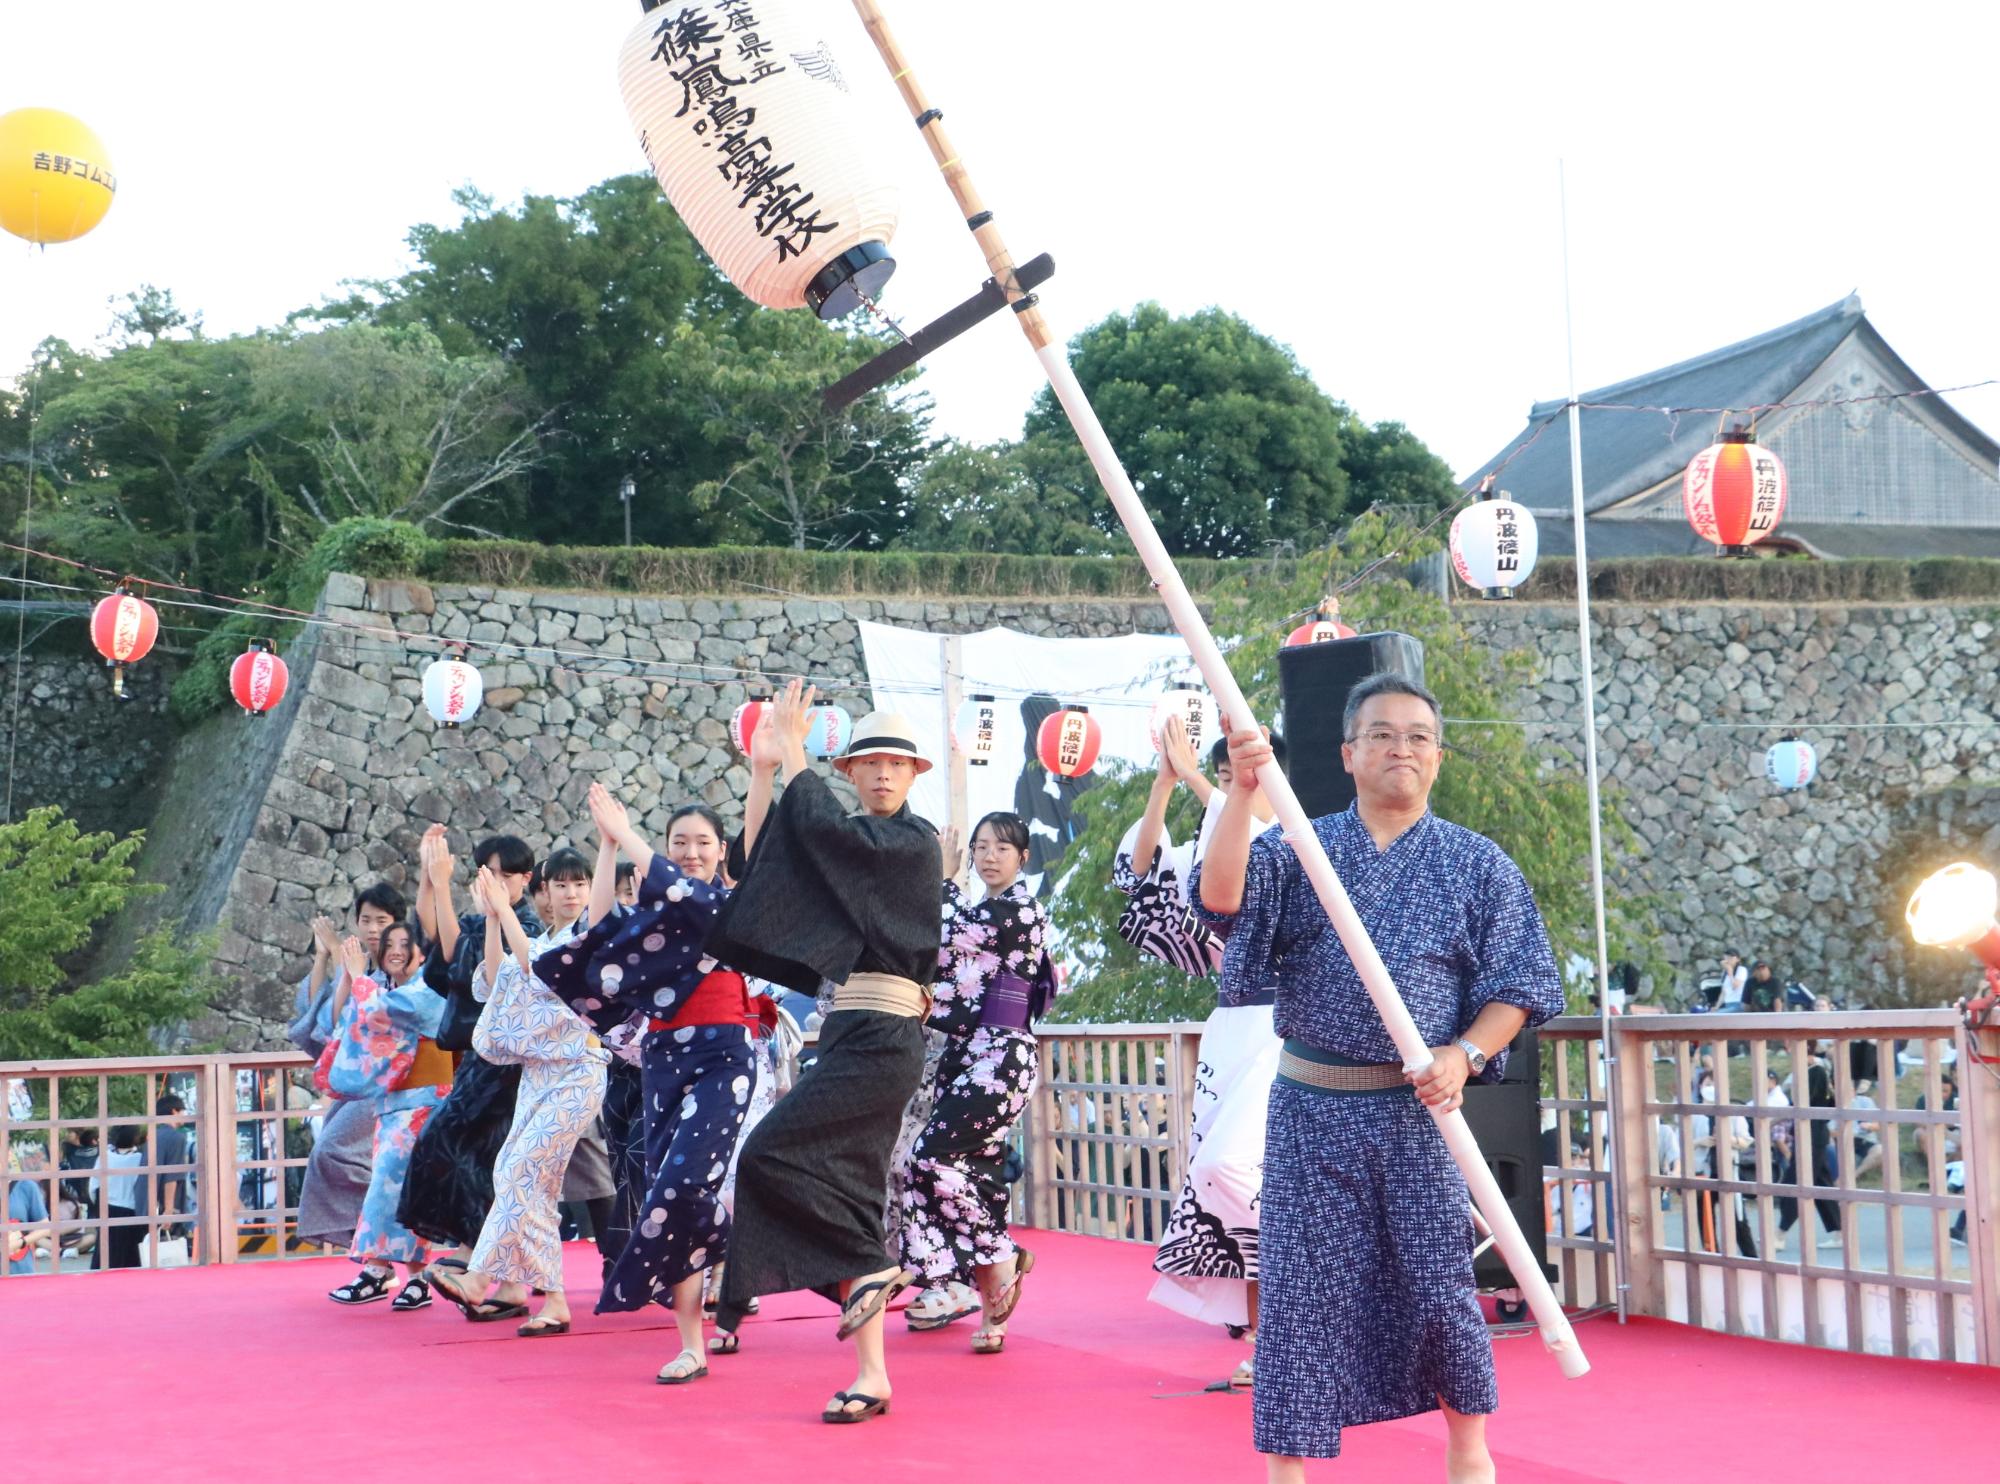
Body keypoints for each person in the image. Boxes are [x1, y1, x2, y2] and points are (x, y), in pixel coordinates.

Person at [1194, 674, 1563, 1481]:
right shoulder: (1298, 846)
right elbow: (1220, 901)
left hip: (1420, 1115)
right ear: (1348, 754)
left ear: (1439, 757)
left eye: (1419, 737)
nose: (1402, 749)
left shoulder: (1477, 863)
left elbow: (1520, 985)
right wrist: (1242, 793)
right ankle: (1288, 1471)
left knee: (1439, 1287)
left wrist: (1465, 1054)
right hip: (1312, 1108)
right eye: (1383, 735)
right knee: (1302, 1293)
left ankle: (1468, 1452)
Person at [705, 680, 941, 1425]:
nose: (883, 774)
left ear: (914, 775)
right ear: (851, 772)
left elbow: (829, 837)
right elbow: (763, 864)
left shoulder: (911, 843)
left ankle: (869, 1268)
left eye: (896, 764)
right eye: (870, 762)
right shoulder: (855, 845)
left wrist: (796, 755)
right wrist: (766, 770)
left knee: (769, 1153)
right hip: (850, 1031)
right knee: (850, 1192)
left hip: (886, 1038)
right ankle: (873, 1372)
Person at [568, 792, 752, 1385]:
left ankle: (753, 1251)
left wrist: (630, 836)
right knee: (671, 1200)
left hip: (725, 1054)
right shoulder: (653, 912)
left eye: (702, 843)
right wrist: (608, 845)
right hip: (664, 1058)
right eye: (679, 844)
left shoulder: (729, 900)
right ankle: (692, 1344)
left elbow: (685, 893)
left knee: (681, 1188)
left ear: (722, 850)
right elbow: (598, 929)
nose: (691, 852)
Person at [1140, 722, 1289, 1390]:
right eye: (1229, 776)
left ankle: (1331, 1275)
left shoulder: (1303, 840)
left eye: (1247, 775)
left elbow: (1255, 836)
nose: (1235, 787)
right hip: (1230, 1026)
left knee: (1234, 1167)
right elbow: (1149, 887)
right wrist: (1171, 783)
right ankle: (1268, 1341)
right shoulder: (1219, 833)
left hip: (1284, 1025)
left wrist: (1206, 781)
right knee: (1223, 1184)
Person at [899, 810, 1057, 1355]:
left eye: (1002, 848)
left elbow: (945, 933)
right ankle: (993, 1310)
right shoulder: (979, 908)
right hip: (965, 1054)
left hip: (1003, 1057)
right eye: (981, 847)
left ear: (1023, 858)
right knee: (979, 1174)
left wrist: (944, 879)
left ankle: (999, 1251)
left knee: (928, 1158)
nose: (989, 857)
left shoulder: (1020, 910)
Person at [430, 847, 600, 1335]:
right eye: (561, 885)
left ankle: (479, 1278)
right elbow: (494, 980)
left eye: (580, 884)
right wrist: (492, 918)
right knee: (519, 1176)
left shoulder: (594, 936)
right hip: (538, 1073)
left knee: (523, 1167)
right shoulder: (541, 938)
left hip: (580, 1069)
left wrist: (504, 910)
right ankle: (552, 1299)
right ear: (544, 891)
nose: (571, 893)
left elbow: (539, 970)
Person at [399, 831, 542, 1269]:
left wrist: (441, 886)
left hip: (511, 1061)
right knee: (469, 1152)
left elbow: (467, 957)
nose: (496, 882)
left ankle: (481, 1254)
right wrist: (432, 879)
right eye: (488, 873)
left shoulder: (525, 927)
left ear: (526, 878)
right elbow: (445, 945)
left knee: (462, 1145)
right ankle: (486, 1256)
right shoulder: (482, 922)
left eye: (505, 875)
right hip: (479, 1057)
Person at [318, 924, 454, 1308]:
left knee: (388, 1187)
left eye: (405, 944)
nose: (395, 950)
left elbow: (378, 1012)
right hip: (396, 1105)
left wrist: (357, 976)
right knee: (403, 1190)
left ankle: (378, 1270)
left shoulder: (428, 992)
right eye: (389, 944)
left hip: (425, 1102)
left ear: (422, 954)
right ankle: (415, 1278)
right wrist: (352, 978)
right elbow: (344, 1022)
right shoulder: (392, 992)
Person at [290, 883, 407, 1252]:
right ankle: (376, 1243)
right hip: (357, 1080)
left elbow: (386, 1019)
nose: (372, 929)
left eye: (381, 921)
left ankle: (399, 1214)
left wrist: (352, 972)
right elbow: (326, 1020)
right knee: (330, 1155)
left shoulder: (403, 964)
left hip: (391, 1080)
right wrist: (326, 958)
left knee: (334, 1150)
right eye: (365, 920)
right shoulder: (361, 964)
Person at [91, 1126, 151, 1270]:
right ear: (135, 1138)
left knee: (108, 1252)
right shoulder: (140, 1158)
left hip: (109, 1209)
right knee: (132, 1255)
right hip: (132, 1210)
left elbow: (93, 1186)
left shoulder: (105, 1157)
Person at [5, 1145, 54, 1276]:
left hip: (20, 1267)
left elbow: (44, 1227)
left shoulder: (26, 1186)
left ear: (8, 1154)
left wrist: (21, 1242)